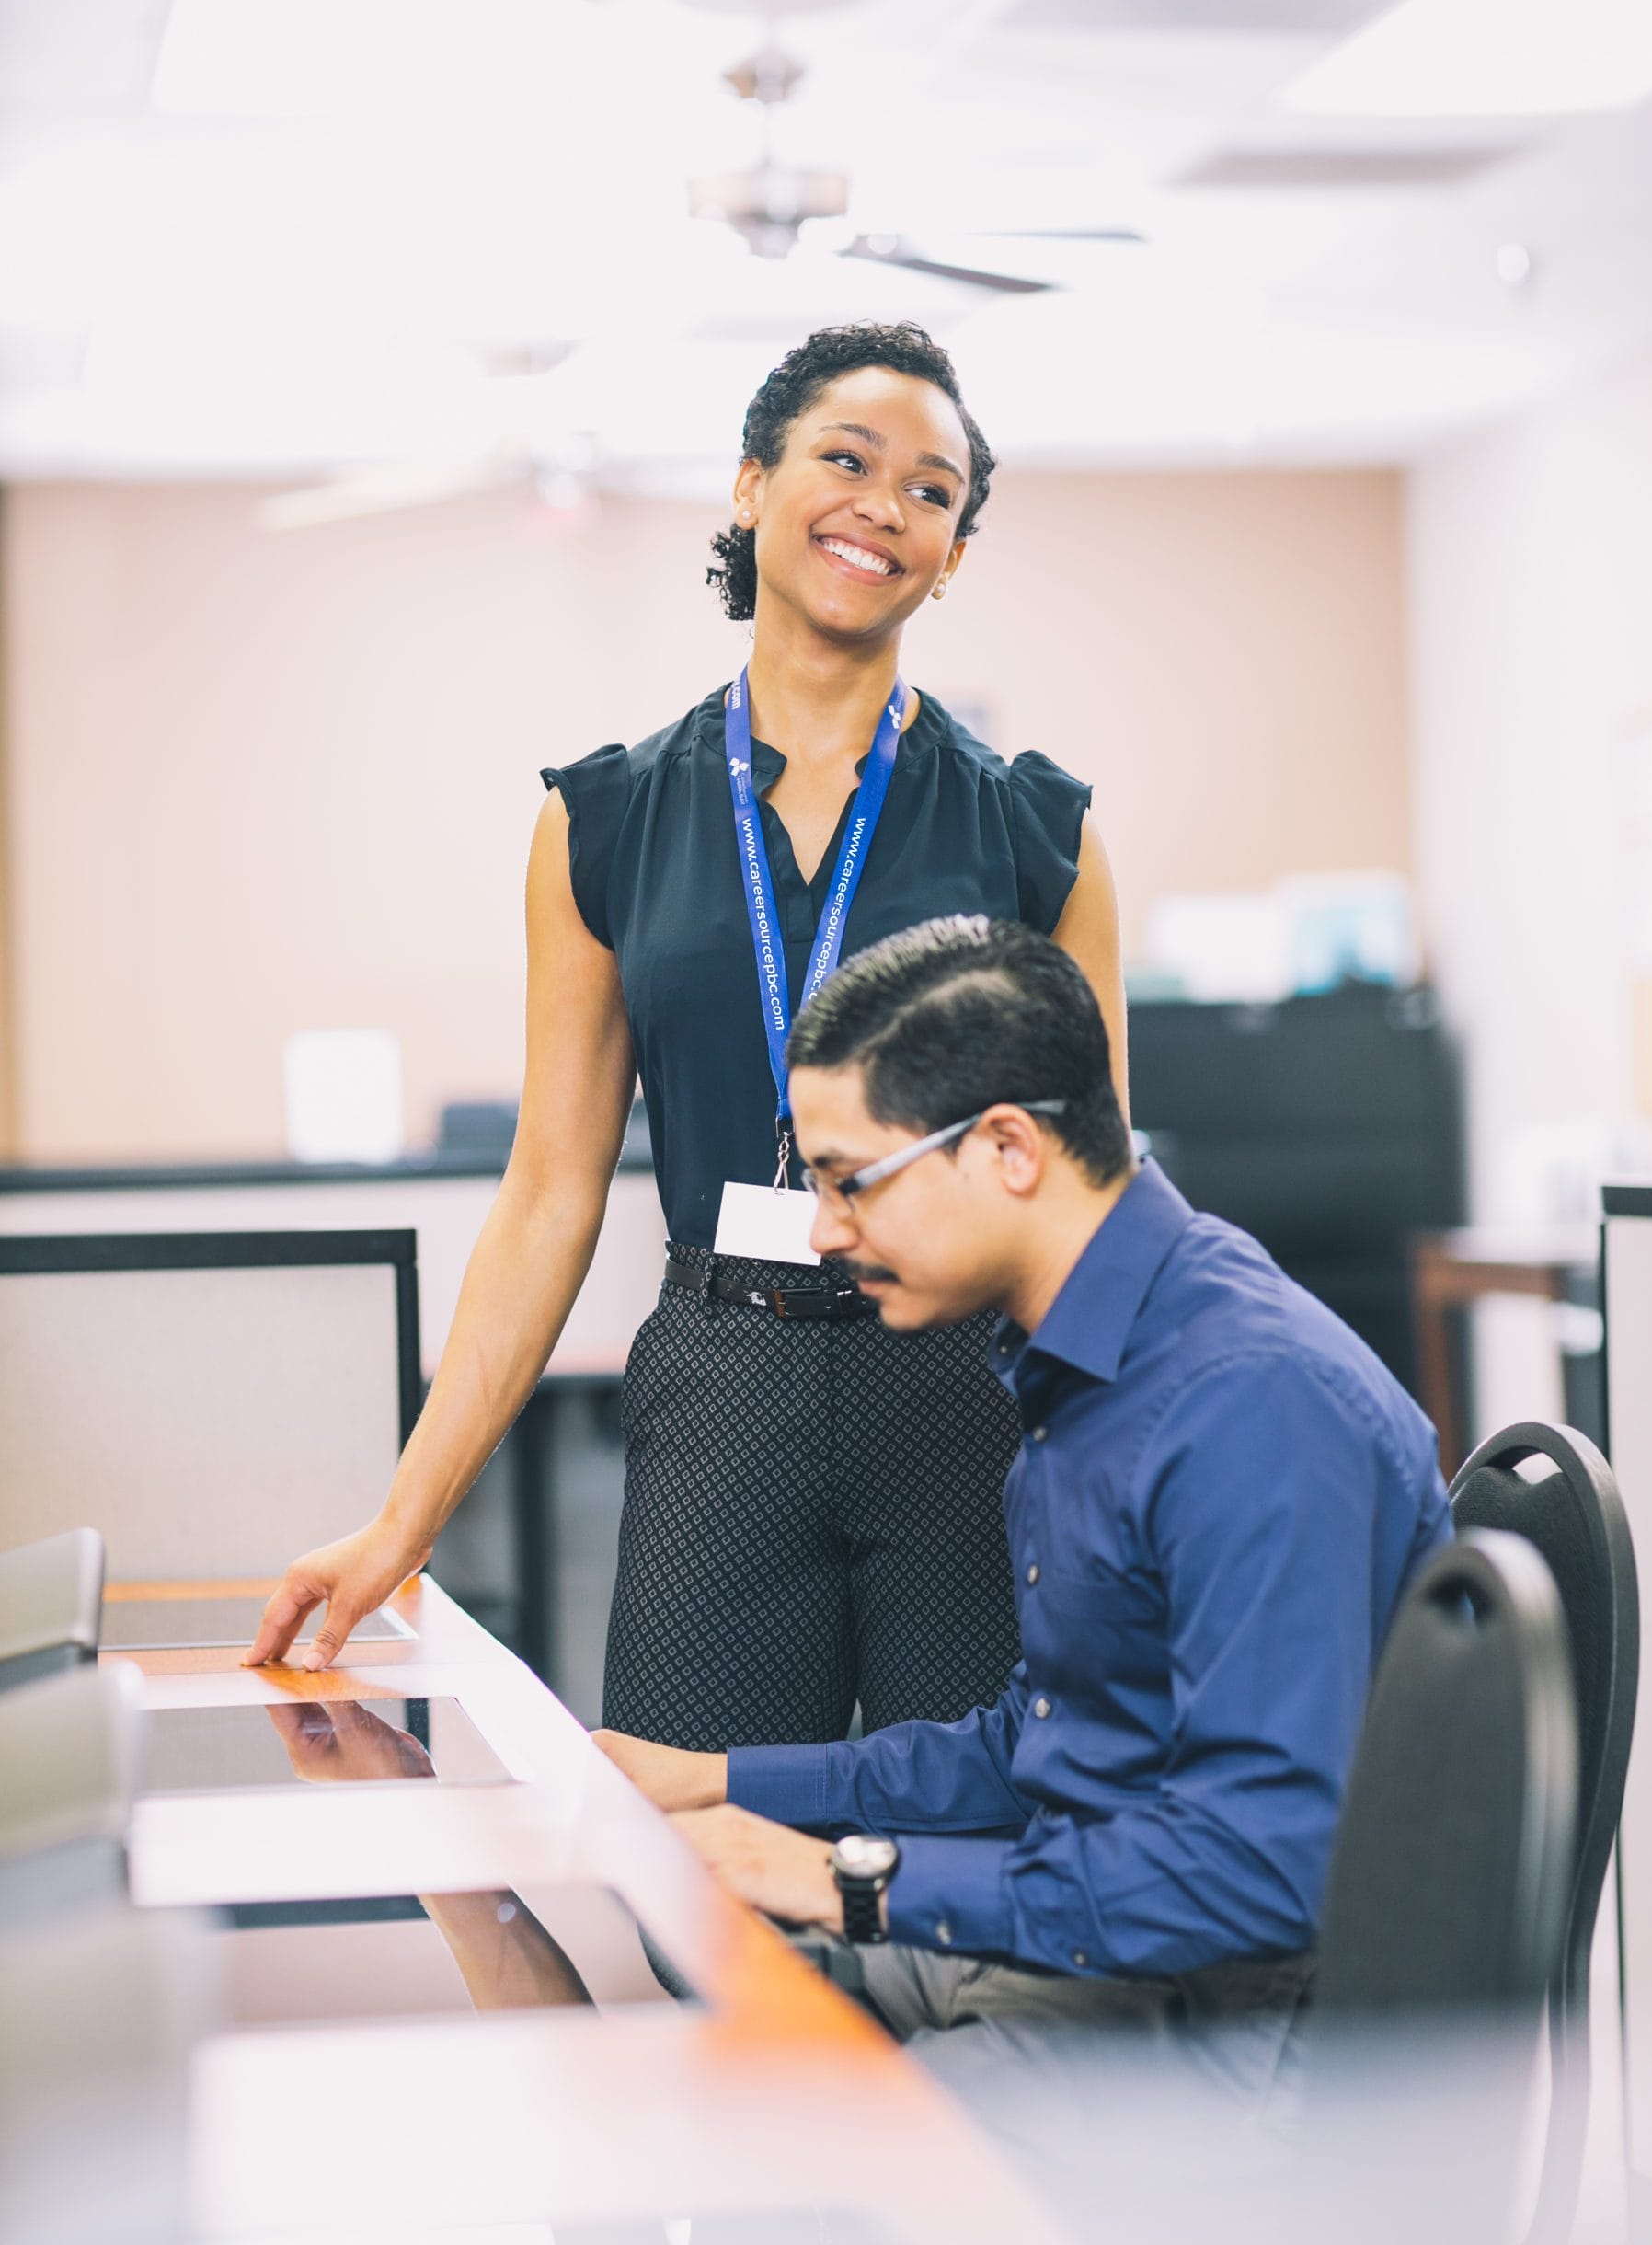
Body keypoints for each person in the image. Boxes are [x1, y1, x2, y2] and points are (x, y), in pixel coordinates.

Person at [245, 323, 1125, 1766]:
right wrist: (402, 1526)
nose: (881, 507)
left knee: (973, 1875)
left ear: (952, 551)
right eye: (844, 460)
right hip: (725, 1377)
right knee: (689, 1877)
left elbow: (1093, 1206)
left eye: (929, 491)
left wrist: (1130, 1481)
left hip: (963, 1396)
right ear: (749, 485)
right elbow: (546, 1195)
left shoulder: (1038, 833)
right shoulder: (604, 823)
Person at [596, 915, 1451, 2069]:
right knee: (704, 2015)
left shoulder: (1245, 1401)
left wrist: (853, 1877)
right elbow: (1035, 1743)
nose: (820, 1230)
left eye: (850, 1181)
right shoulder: (1084, 1359)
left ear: (1006, 1148)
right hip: (1100, 1948)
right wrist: (713, 1780)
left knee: (817, 2147)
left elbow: (1259, 1867)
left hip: (1230, 2019)